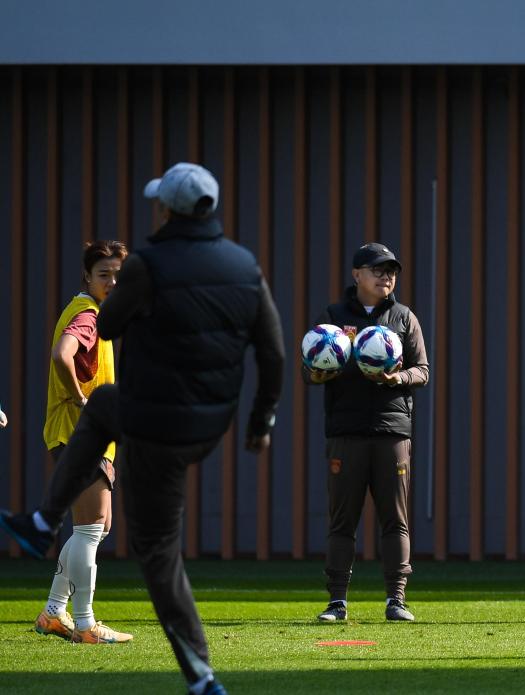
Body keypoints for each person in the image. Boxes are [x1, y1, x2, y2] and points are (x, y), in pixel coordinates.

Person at [0, 162, 285, 695]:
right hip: (209, 423)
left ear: (168, 209)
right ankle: (53, 580)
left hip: (155, 421)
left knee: (156, 549)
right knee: (105, 411)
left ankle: (42, 522)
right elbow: (273, 353)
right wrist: (260, 421)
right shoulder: (245, 266)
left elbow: (109, 324)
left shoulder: (148, 263)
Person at [305, 242, 429, 623]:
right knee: (342, 521)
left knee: (395, 519)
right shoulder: (333, 317)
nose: (386, 277)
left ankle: (396, 600)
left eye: (391, 271)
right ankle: (336, 602)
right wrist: (317, 374)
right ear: (356, 274)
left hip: (392, 432)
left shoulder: (404, 318)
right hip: (346, 432)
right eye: (378, 270)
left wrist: (397, 378)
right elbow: (310, 369)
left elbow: (423, 370)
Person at [35, 240, 131, 644]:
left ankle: (53, 612)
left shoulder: (95, 313)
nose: (112, 282)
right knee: (90, 529)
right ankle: (86, 623)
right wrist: (79, 398)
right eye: (103, 275)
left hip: (84, 435)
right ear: (86, 277)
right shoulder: (88, 315)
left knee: (97, 527)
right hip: (79, 433)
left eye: (118, 276)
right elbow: (63, 354)